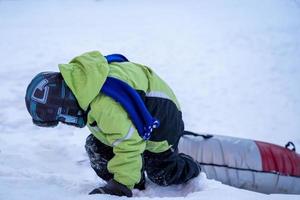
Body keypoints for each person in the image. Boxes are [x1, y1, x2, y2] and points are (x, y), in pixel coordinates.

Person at [25, 51, 200, 197]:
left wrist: (121, 185)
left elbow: (129, 143)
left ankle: (190, 166)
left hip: (162, 124)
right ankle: (135, 179)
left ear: (63, 105)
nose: (67, 122)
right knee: (96, 147)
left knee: (161, 172)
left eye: (62, 118)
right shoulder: (83, 84)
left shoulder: (105, 105)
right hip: (134, 119)